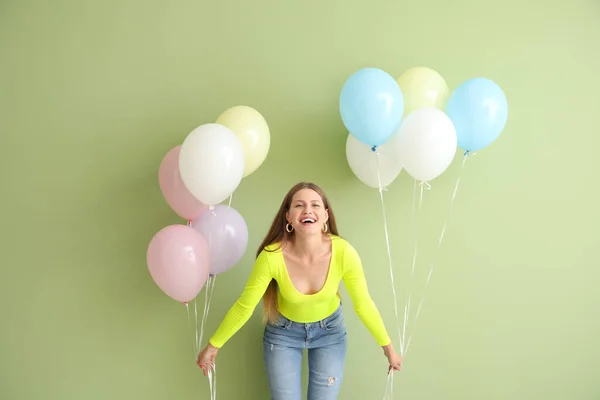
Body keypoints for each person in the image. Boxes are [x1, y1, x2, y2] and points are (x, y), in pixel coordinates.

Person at [196, 182, 402, 399]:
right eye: (299, 205)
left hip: (329, 333)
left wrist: (389, 350)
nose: (307, 210)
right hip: (282, 333)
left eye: (315, 205)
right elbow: (244, 307)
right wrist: (213, 346)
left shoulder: (344, 252)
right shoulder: (271, 256)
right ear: (288, 217)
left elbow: (363, 304)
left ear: (325, 216)